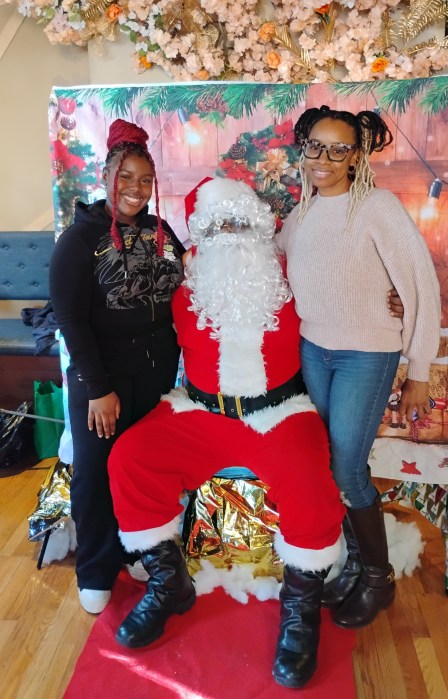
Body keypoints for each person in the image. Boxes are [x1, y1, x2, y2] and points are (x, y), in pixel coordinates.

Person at [107, 177, 346, 689]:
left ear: (260, 226)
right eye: (219, 225)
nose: (232, 233)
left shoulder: (291, 275)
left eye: (241, 222)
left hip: (278, 412)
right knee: (130, 455)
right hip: (200, 412)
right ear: (201, 236)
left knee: (308, 477)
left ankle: (300, 608)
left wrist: (388, 301)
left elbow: (343, 301)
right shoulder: (184, 284)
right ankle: (171, 584)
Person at [276, 105, 441, 629]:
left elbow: (419, 284)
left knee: (347, 468)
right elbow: (270, 260)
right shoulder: (299, 215)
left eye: (338, 148)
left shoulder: (377, 208)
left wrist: (419, 371)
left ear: (357, 156)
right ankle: (352, 568)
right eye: (315, 147)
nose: (323, 159)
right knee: (329, 464)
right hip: (313, 351)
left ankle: (378, 578)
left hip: (365, 354)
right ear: (304, 151)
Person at [49, 119, 186, 615]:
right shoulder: (79, 239)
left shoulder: (160, 232)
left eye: (144, 180)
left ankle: (137, 549)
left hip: (153, 372)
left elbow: (194, 281)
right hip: (100, 376)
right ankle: (95, 566)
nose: (135, 189)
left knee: (140, 467)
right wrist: (98, 389)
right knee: (95, 470)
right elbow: (69, 319)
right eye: (125, 177)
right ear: (107, 177)